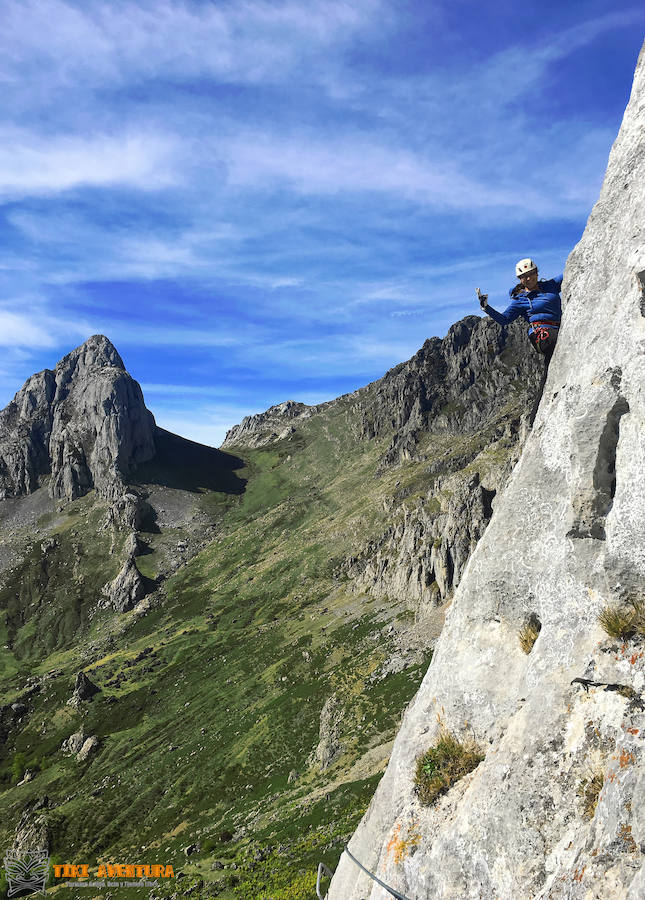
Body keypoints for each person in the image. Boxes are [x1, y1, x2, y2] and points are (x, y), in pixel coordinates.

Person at [478, 258, 562, 369]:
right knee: (561, 340)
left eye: (531, 273)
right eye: (524, 276)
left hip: (559, 328)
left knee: (551, 362)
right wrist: (486, 307)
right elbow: (504, 319)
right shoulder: (520, 299)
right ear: (519, 279)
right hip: (541, 334)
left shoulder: (551, 285)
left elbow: (570, 270)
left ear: (537, 273)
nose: (528, 278)